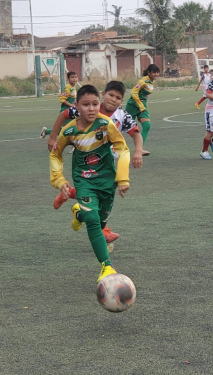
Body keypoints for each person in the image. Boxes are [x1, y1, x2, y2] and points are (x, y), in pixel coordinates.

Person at [49, 85, 131, 283]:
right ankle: (107, 266)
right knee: (94, 221)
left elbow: (122, 147)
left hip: (107, 180)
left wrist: (122, 178)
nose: (92, 108)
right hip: (84, 180)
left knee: (101, 220)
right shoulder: (68, 131)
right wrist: (59, 180)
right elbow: (56, 154)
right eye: (86, 105)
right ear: (77, 105)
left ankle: (79, 213)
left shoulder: (105, 124)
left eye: (95, 104)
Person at [48, 80, 144, 244]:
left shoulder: (122, 115)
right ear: (103, 95)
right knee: (92, 190)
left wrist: (137, 151)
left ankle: (74, 203)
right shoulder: (86, 108)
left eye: (118, 98)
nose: (113, 99)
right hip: (86, 162)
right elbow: (63, 115)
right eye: (111, 95)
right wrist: (52, 137)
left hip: (109, 162)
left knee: (106, 193)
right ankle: (103, 230)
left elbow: (136, 134)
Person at [125, 64, 160, 156]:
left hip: (142, 106)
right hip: (133, 105)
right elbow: (133, 92)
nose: (156, 74)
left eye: (157, 72)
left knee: (147, 125)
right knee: (121, 126)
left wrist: (143, 103)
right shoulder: (142, 81)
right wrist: (140, 105)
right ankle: (110, 147)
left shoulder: (151, 81)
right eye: (154, 72)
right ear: (148, 72)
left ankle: (140, 149)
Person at [40, 71, 78, 139]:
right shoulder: (68, 88)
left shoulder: (73, 87)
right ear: (68, 79)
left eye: (75, 77)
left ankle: (46, 131)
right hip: (66, 111)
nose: (74, 79)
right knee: (68, 130)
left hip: (72, 111)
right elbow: (62, 99)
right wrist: (71, 105)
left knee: (70, 129)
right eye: (72, 77)